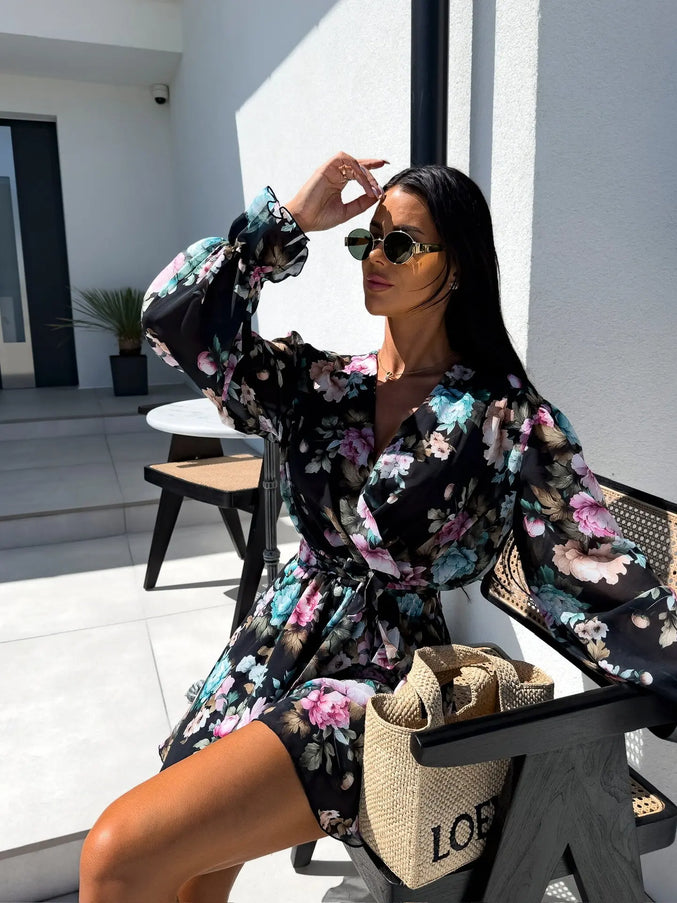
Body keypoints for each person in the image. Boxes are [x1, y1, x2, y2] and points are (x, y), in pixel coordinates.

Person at [79, 152, 676, 902]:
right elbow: (175, 319)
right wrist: (288, 221)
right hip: (274, 645)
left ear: (455, 265)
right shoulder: (319, 385)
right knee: (192, 877)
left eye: (401, 244)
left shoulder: (505, 420)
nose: (373, 259)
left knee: (117, 852)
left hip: (380, 680)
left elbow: (588, 563)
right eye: (367, 241)